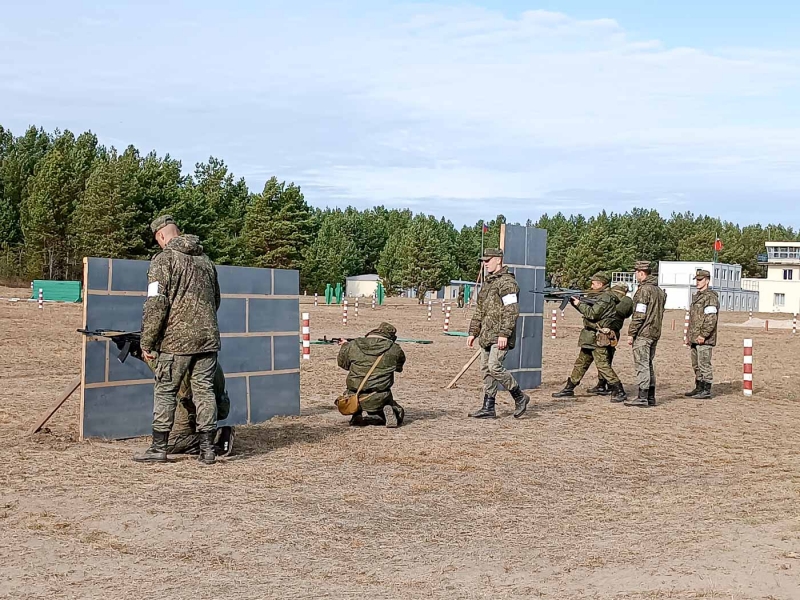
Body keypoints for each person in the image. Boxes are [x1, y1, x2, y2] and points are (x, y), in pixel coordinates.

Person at [133, 215, 222, 464]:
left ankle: (158, 448)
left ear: (160, 236)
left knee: (165, 390)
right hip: (208, 338)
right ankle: (207, 450)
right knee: (204, 390)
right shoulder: (205, 261)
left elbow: (156, 304)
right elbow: (216, 300)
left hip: (176, 340)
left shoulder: (164, 260)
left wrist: (147, 341)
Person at [467, 248, 530, 419]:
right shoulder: (489, 283)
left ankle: (520, 396)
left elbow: (511, 310)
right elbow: (480, 310)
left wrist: (504, 333)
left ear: (498, 260)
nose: (485, 263)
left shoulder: (507, 283)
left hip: (500, 335)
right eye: (484, 261)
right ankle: (488, 407)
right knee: (486, 370)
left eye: (488, 260)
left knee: (495, 366)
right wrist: (473, 331)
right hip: (487, 334)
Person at [551, 273, 627, 402]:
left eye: (593, 283)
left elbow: (592, 314)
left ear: (600, 284)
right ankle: (569, 388)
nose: (591, 286)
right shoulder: (600, 296)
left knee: (603, 365)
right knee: (581, 363)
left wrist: (579, 303)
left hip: (598, 337)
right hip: (589, 336)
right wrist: (576, 303)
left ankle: (619, 390)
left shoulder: (606, 298)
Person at [337, 322, 406, 427]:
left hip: (354, 395)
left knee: (355, 394)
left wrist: (345, 346)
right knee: (387, 404)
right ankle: (390, 410)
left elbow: (343, 364)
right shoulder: (395, 349)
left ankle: (356, 414)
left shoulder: (354, 344)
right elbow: (398, 368)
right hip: (380, 394)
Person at [625, 260, 666, 407]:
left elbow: (639, 314)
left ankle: (642, 396)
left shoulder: (644, 290)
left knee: (642, 365)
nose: (635, 275)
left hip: (643, 332)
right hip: (655, 332)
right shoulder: (659, 291)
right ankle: (650, 397)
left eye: (636, 272)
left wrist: (631, 332)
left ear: (641, 273)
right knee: (648, 364)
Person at [587, 283, 634, 396]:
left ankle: (614, 386)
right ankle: (602, 384)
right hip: (608, 331)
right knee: (605, 360)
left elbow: (616, 312)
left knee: (604, 360)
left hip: (610, 332)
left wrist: (600, 307)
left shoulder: (625, 301)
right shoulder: (615, 299)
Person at [684, 269, 719, 399]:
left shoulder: (710, 297)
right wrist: (689, 336)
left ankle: (706, 389)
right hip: (694, 337)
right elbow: (693, 318)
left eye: (700, 280)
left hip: (704, 338)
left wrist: (703, 335)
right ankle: (699, 387)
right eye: (697, 280)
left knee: (704, 363)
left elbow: (711, 318)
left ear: (707, 280)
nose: (698, 282)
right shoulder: (697, 296)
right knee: (696, 364)